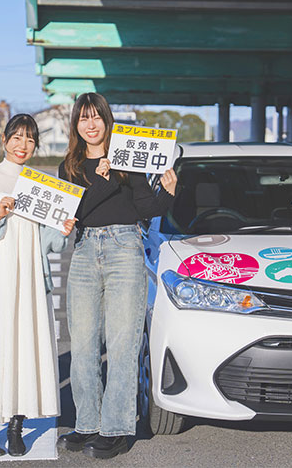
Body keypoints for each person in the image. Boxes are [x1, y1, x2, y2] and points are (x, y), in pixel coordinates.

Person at [56, 93, 178, 460]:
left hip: (125, 246)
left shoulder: (128, 160)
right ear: (76, 125)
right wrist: (103, 182)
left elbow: (145, 208)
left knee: (123, 343)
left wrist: (168, 193)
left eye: (97, 117)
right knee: (83, 344)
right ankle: (87, 423)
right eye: (83, 119)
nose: (91, 125)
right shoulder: (70, 166)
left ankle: (117, 428)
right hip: (84, 249)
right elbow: (77, 210)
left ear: (107, 121)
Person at [0, 114, 75, 457]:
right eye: (17, 138)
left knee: (24, 348)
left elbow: (49, 240)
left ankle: (14, 426)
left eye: (30, 139)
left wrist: (63, 230)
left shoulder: (41, 181)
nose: (23, 145)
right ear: (5, 140)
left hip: (28, 278)